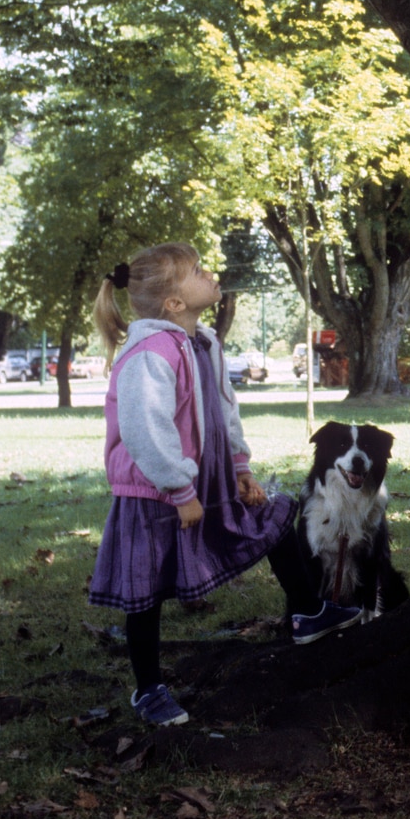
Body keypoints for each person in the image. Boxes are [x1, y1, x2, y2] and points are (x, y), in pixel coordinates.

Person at [88, 242, 362, 728]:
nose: (210, 272)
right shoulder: (148, 353)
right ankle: (148, 689)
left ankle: (306, 612)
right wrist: (178, 490)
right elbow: (145, 429)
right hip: (154, 494)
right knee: (144, 590)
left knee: (274, 517)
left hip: (209, 480)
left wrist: (239, 466)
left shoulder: (205, 342)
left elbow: (224, 408)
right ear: (174, 303)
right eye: (197, 271)